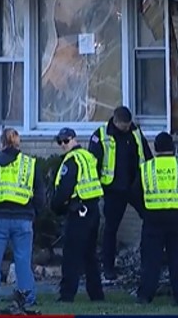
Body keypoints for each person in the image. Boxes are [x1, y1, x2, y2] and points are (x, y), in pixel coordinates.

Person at [0, 128, 45, 308]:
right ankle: (28, 299)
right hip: (23, 219)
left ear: (1, 142)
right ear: (18, 142)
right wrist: (34, 213)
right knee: (23, 260)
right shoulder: (30, 164)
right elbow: (40, 193)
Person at [89, 106, 153, 281]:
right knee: (111, 229)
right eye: (123, 126)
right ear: (115, 121)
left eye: (128, 125)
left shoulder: (135, 131)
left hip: (135, 186)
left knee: (151, 218)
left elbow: (146, 155)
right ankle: (108, 268)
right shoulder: (101, 135)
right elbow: (92, 164)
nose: (126, 128)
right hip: (113, 189)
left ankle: (149, 262)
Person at [133, 132, 178, 306]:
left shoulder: (147, 168)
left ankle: (145, 296)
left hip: (153, 220)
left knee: (151, 260)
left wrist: (143, 212)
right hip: (177, 220)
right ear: (173, 148)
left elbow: (134, 193)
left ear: (156, 148)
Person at [51, 127, 105, 303]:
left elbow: (65, 190)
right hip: (93, 209)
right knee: (90, 255)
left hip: (79, 211)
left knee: (72, 255)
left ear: (74, 139)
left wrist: (56, 207)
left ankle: (67, 295)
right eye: (60, 142)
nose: (63, 145)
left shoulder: (72, 160)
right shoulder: (88, 156)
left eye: (66, 141)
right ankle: (96, 295)